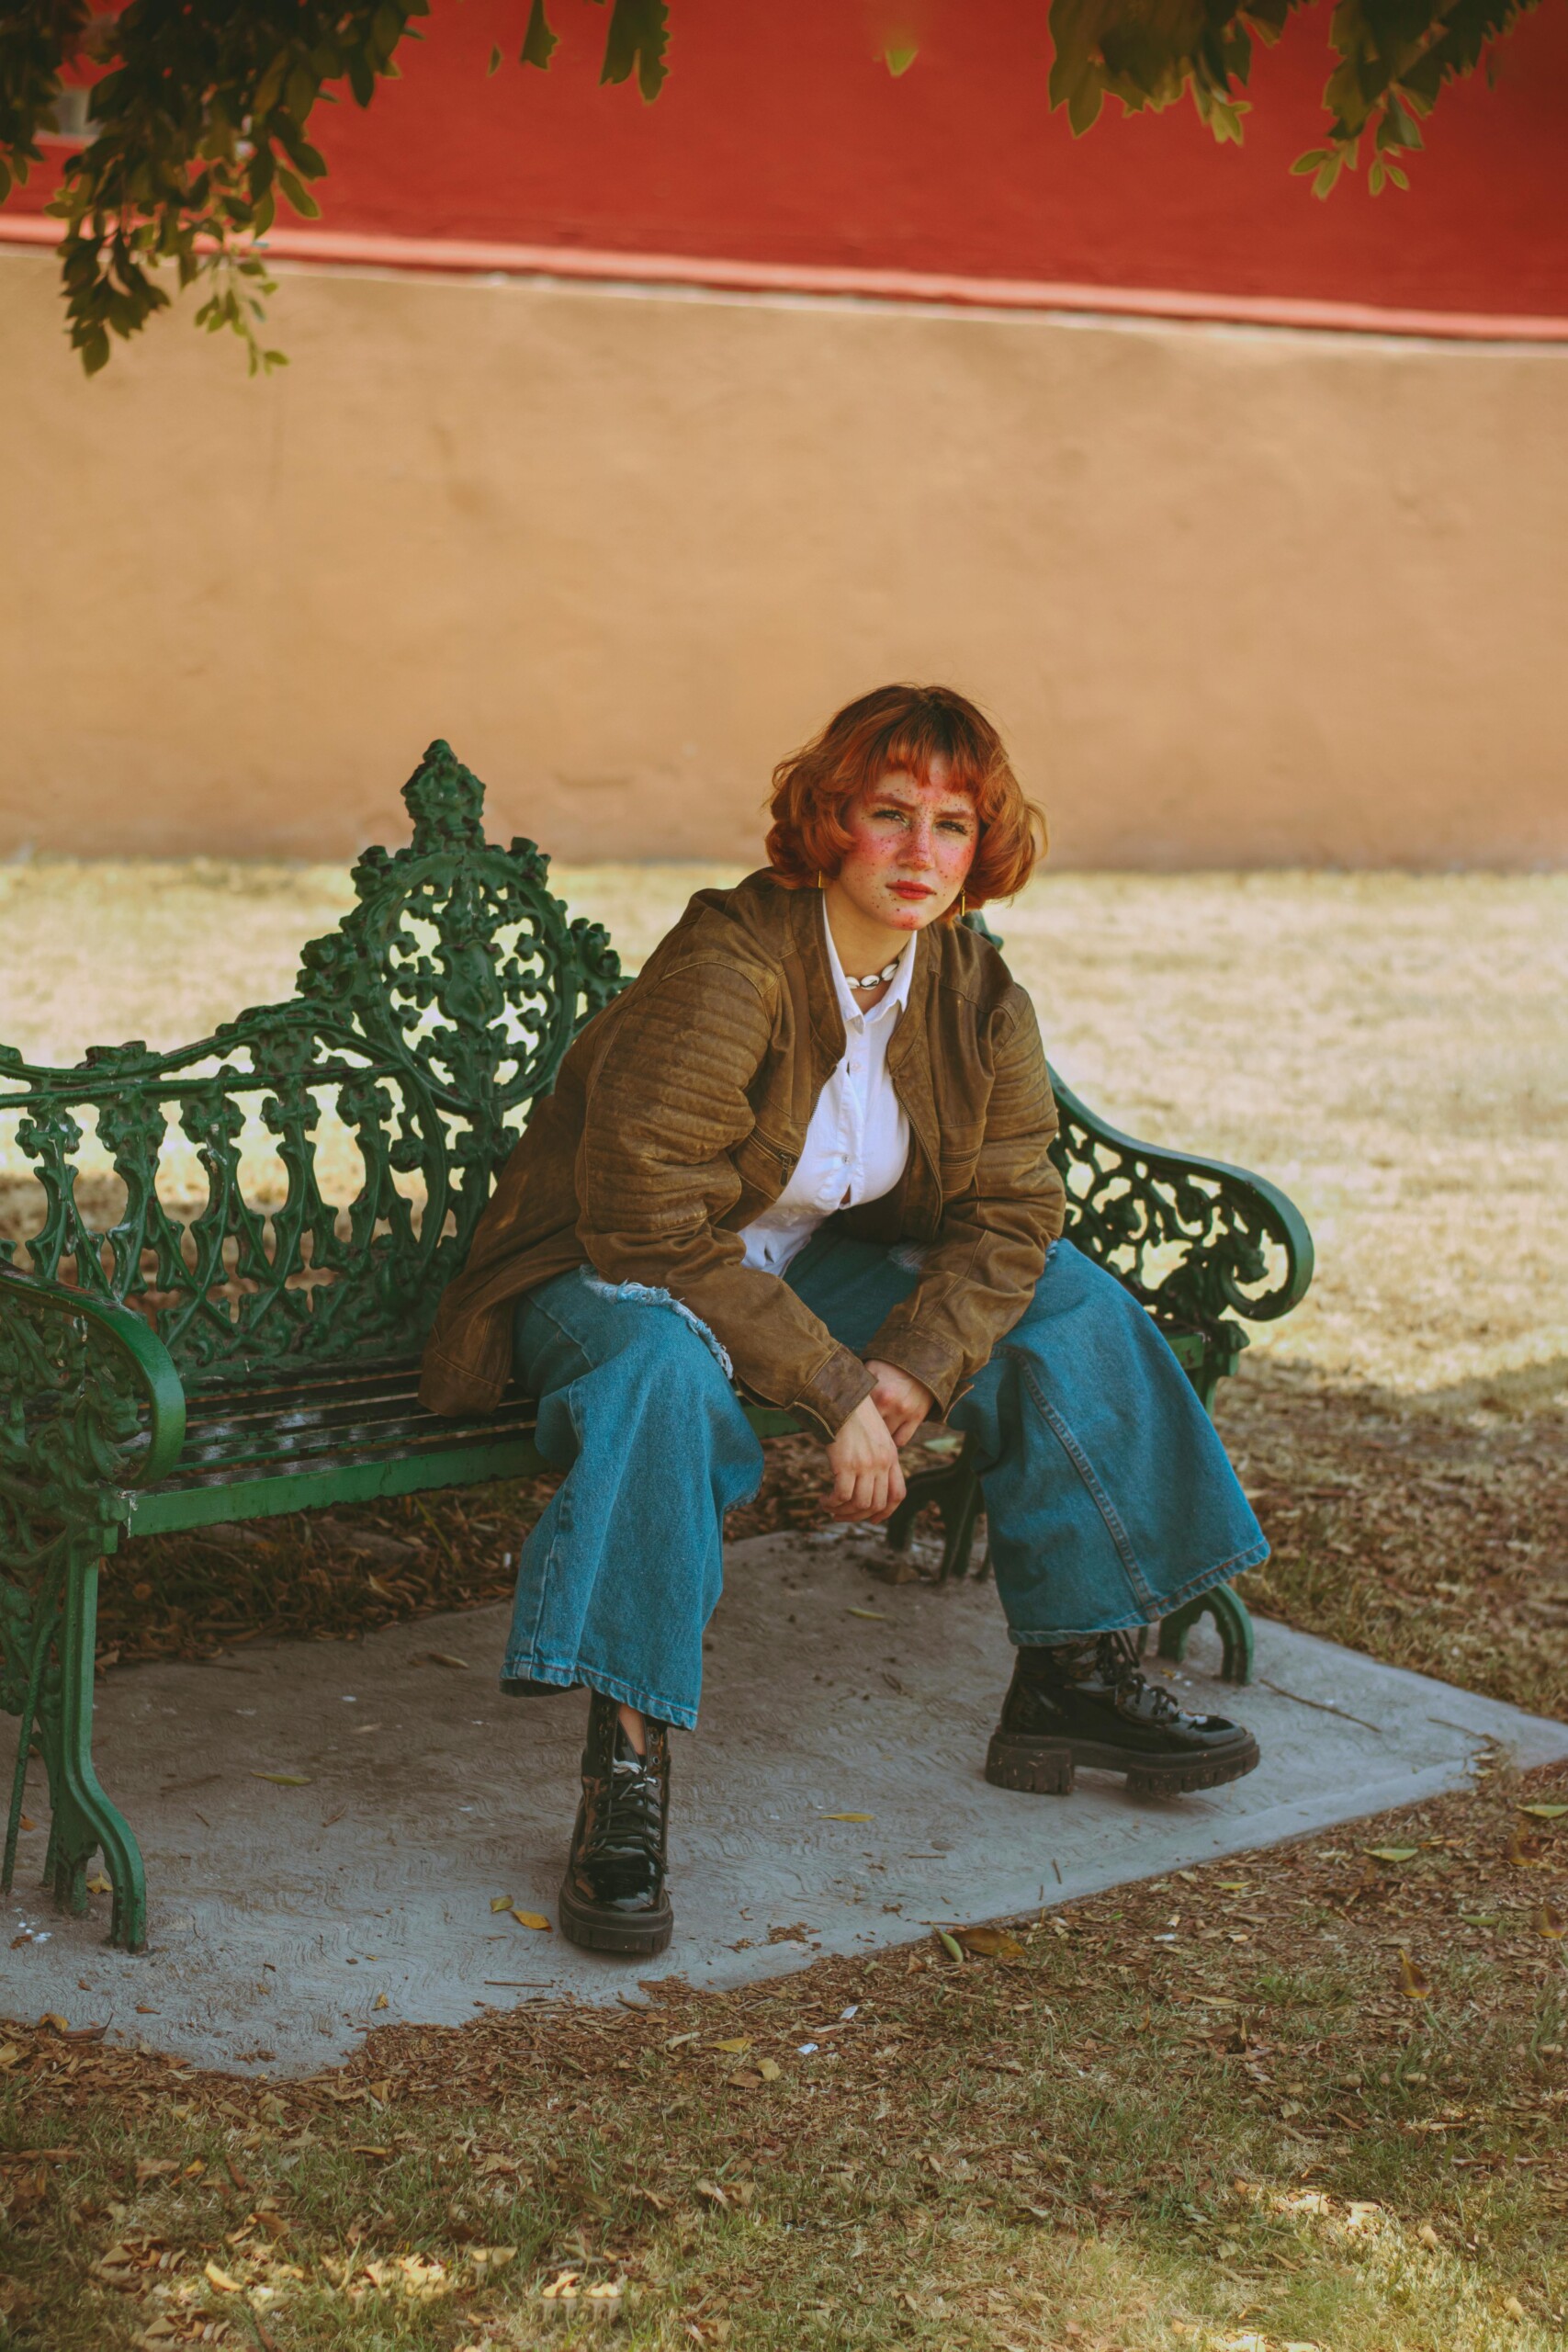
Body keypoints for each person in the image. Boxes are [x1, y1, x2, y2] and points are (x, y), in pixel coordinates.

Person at [420, 684, 1267, 1958]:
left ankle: (1074, 1675)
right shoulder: (733, 964)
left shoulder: (973, 987)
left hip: (794, 1265)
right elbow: (647, 1220)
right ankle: (627, 1770)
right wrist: (833, 1387)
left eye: (953, 824)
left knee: (1066, 1300)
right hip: (603, 1271)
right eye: (890, 815)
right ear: (830, 822)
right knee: (662, 1383)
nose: (922, 852)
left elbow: (1014, 1213)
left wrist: (915, 1368)